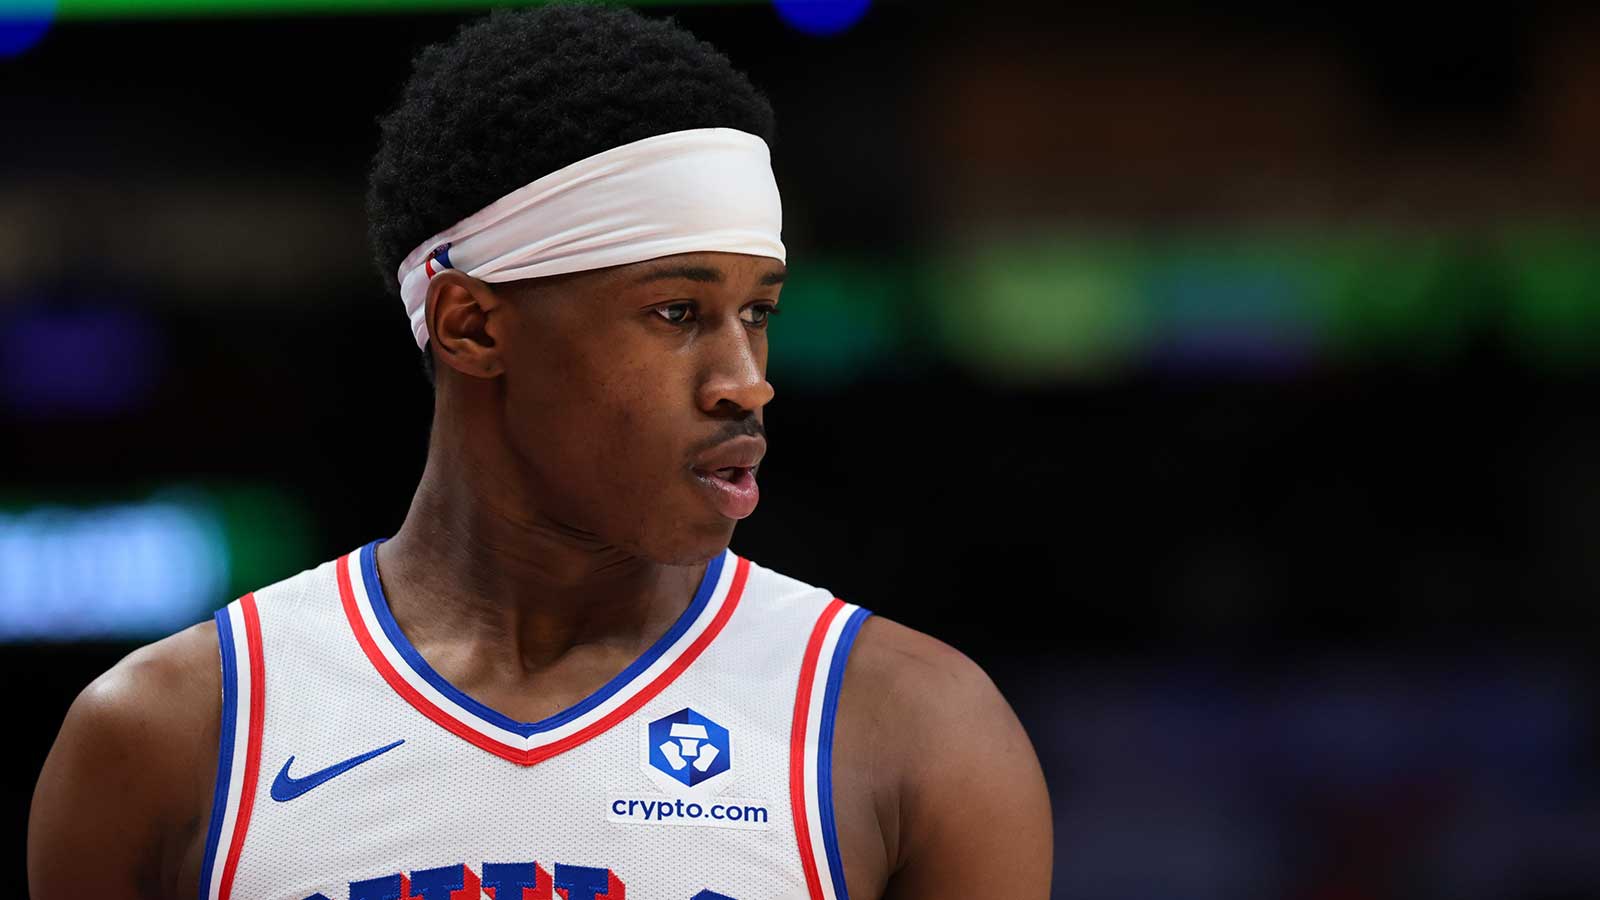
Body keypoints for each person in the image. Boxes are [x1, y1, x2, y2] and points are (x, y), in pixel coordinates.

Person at [27, 5, 1052, 899]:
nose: (746, 378)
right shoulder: (173, 733)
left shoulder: (914, 728)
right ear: (474, 326)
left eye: (758, 312)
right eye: (677, 311)